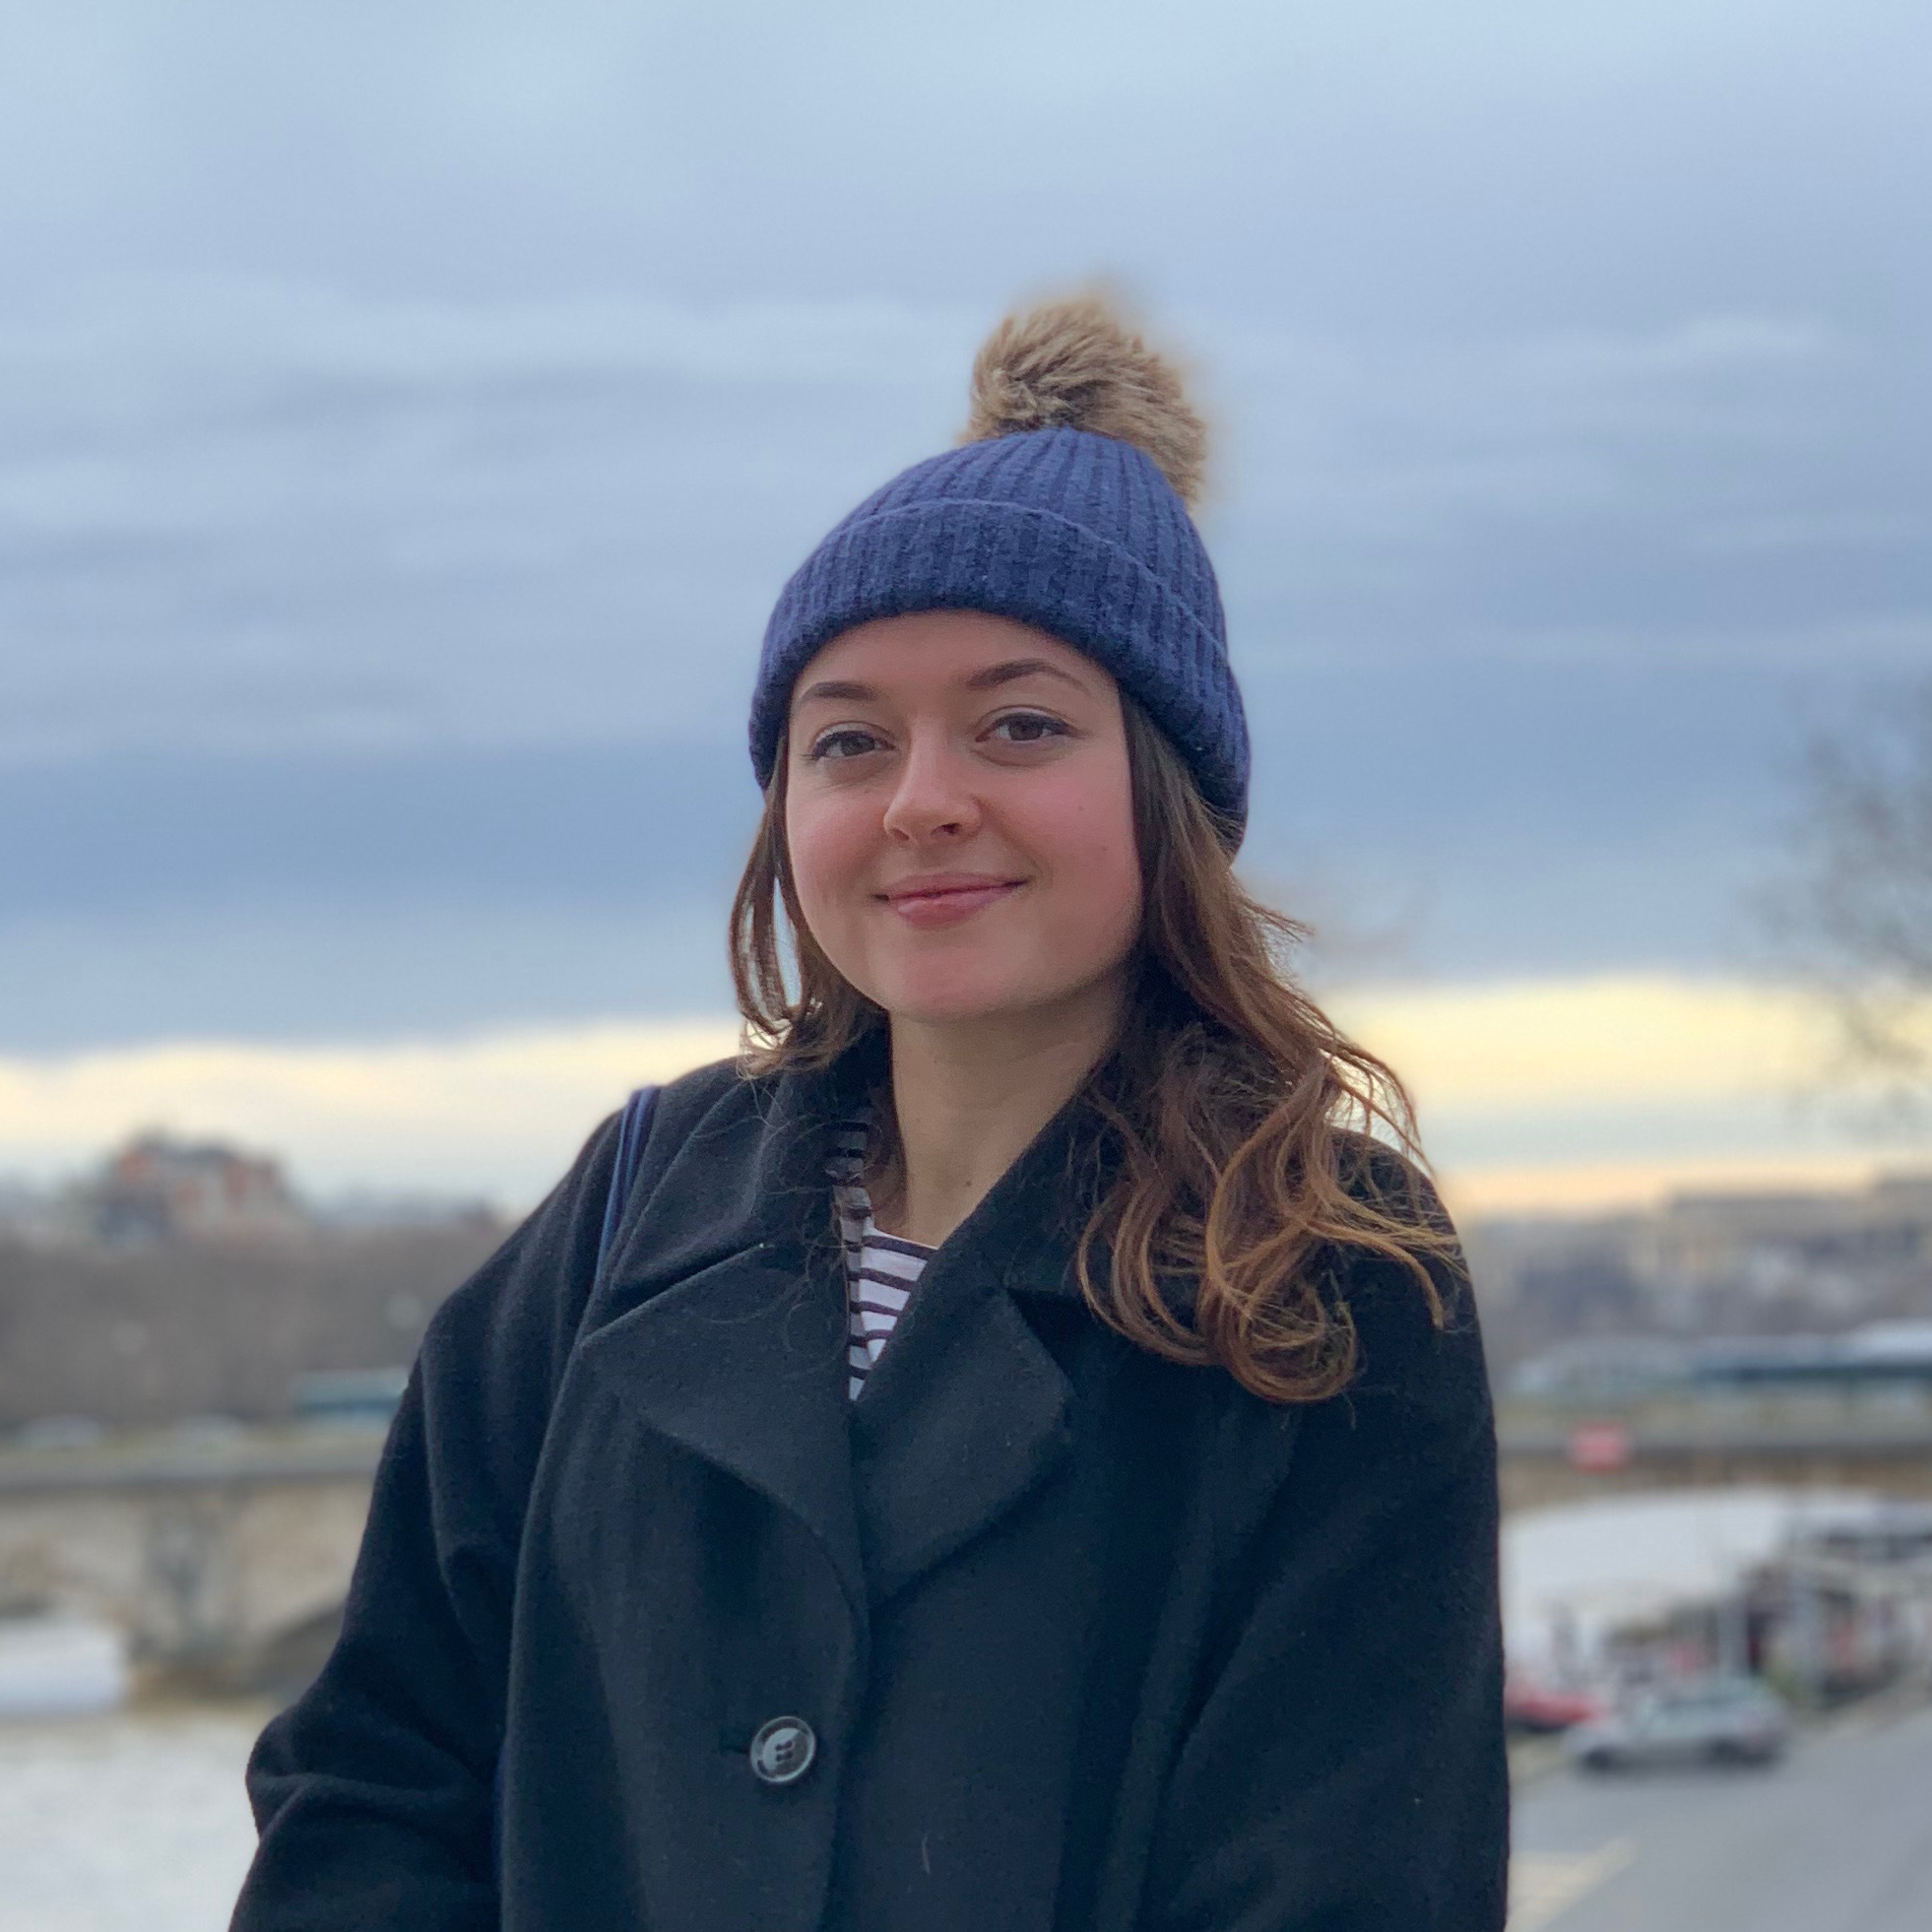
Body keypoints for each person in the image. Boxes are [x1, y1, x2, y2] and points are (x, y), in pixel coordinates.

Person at [229, 295, 1509, 1931]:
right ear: (787, 815)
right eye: (848, 740)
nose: (922, 799)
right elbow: (374, 1777)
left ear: (1167, 786)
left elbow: (1345, 1882)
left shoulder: (1332, 1276)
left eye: (1018, 723)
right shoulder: (622, 1211)